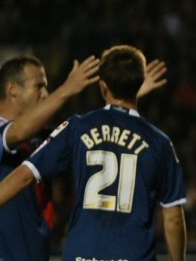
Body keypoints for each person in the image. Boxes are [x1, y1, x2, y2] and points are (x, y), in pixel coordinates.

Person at [0, 45, 186, 261]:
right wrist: (69, 88)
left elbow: (95, 125)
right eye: (39, 86)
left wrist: (123, 95)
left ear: (103, 86)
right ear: (12, 89)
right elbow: (18, 132)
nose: (46, 94)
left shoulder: (72, 130)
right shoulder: (160, 142)